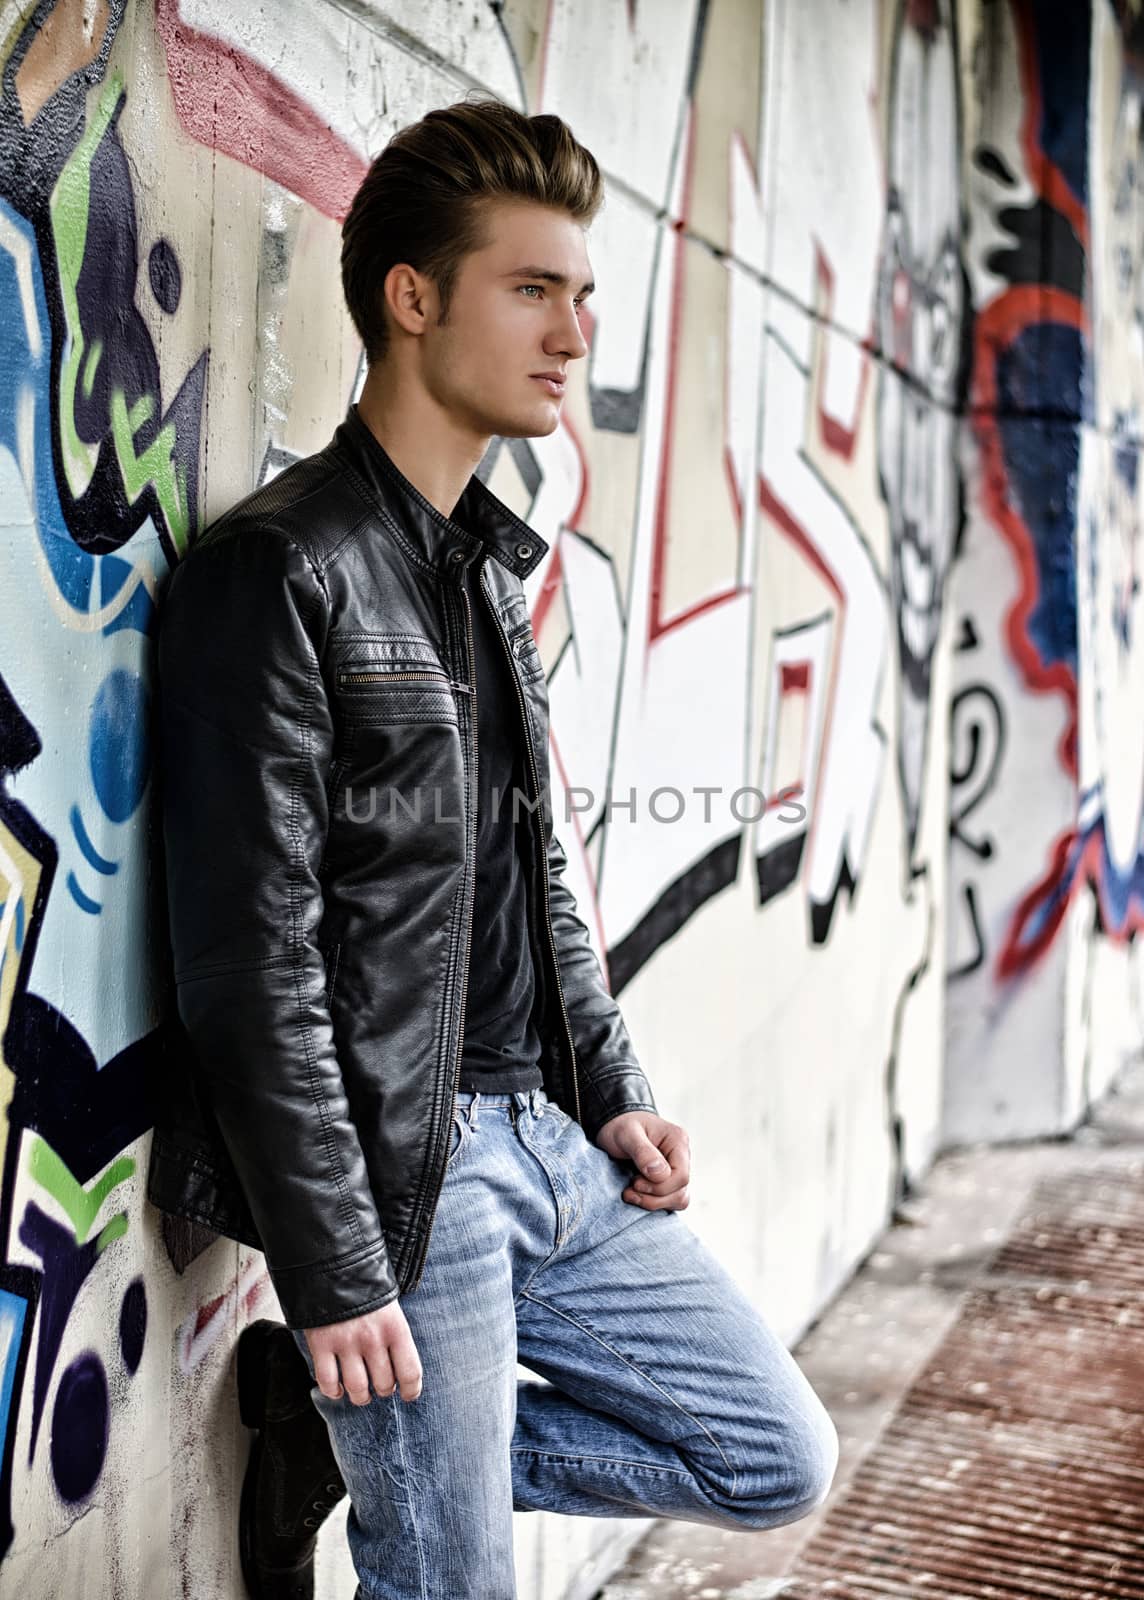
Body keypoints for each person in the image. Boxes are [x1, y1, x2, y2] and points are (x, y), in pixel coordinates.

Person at [146, 96, 839, 1600]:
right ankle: (365, 1413)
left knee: (776, 1454)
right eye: (534, 290)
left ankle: (338, 1434)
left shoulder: (482, 572)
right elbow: (248, 967)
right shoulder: (281, 571)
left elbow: (539, 890)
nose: (575, 334)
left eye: (582, 296)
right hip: (416, 1170)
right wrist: (335, 1272)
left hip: (553, 1141)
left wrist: (616, 1091)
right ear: (412, 299)